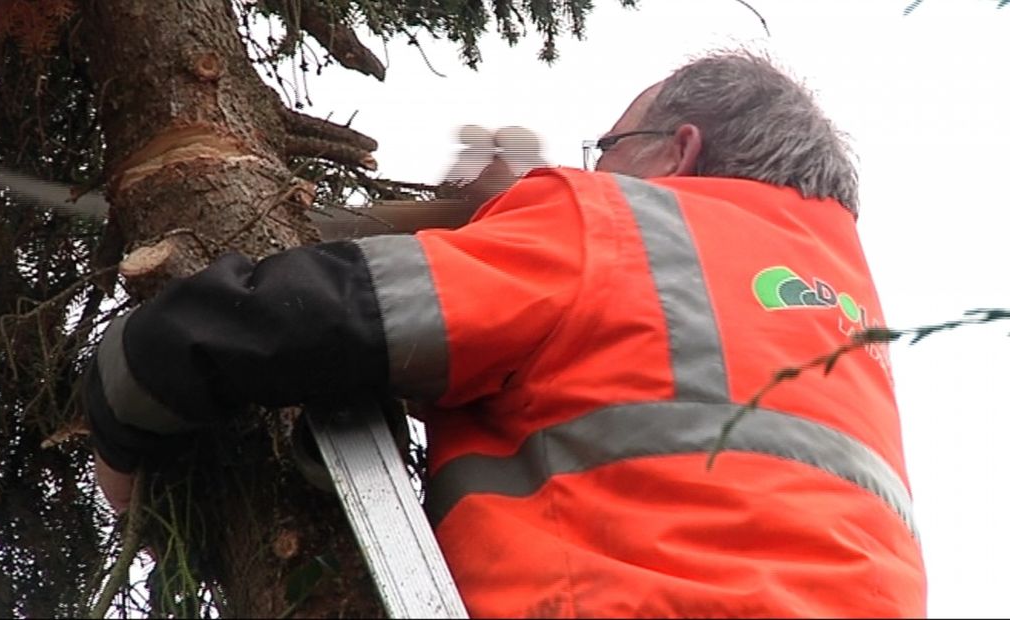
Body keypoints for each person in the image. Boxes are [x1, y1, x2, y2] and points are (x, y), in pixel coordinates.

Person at [86, 50, 926, 618]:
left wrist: (123, 402)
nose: (595, 169)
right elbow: (636, 423)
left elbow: (328, 312)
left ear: (680, 149)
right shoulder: (845, 319)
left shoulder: (614, 222)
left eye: (612, 146)